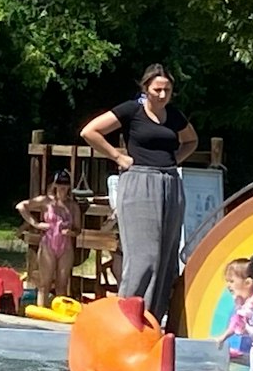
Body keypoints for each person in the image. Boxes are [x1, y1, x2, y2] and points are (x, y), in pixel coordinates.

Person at [81, 63, 198, 324]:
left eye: (167, 89)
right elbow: (90, 131)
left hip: (169, 181)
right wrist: (117, 156)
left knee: (166, 258)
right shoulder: (132, 110)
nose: (162, 95)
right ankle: (126, 320)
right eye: (157, 89)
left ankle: (152, 321)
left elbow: (191, 141)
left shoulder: (174, 115)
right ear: (146, 88)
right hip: (139, 181)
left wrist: (175, 160)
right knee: (145, 256)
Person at [17, 170, 81, 309]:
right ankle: (41, 311)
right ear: (54, 185)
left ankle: (59, 312)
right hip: (49, 243)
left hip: (65, 245)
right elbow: (21, 206)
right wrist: (36, 224)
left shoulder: (72, 205)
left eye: (66, 184)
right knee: (44, 282)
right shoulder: (46, 201)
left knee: (62, 284)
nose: (63, 187)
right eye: (60, 183)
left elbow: (78, 229)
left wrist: (72, 232)